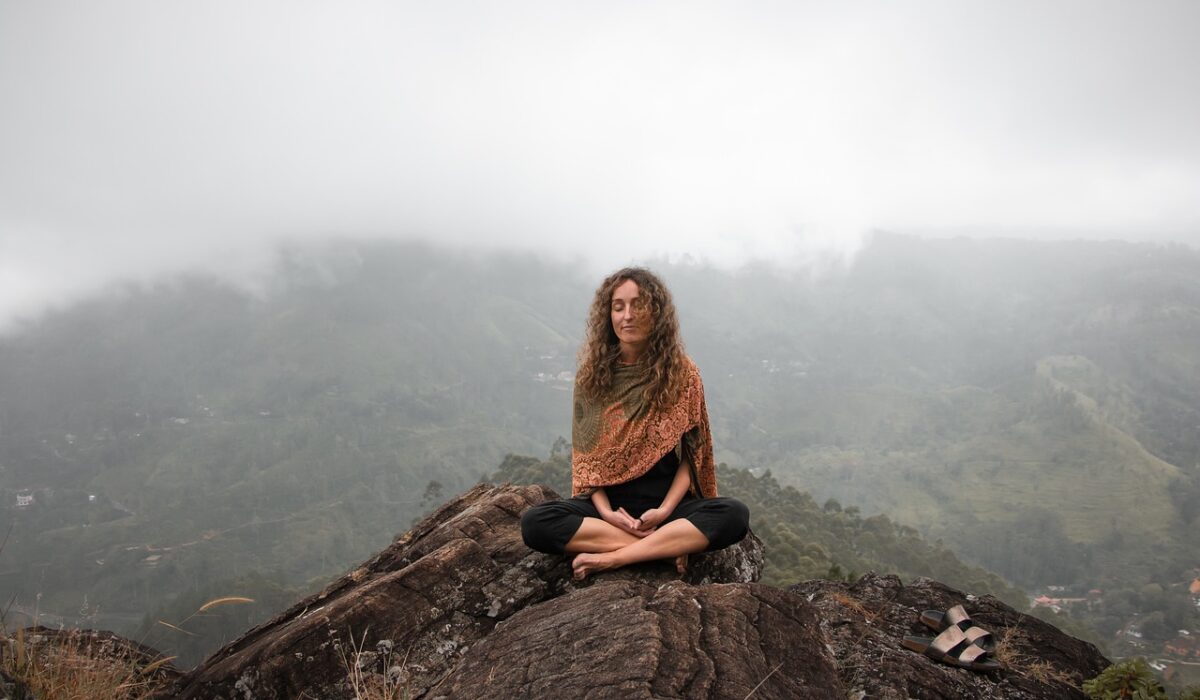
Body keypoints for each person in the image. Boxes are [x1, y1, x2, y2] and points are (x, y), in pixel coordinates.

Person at [521, 267, 750, 580]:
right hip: (610, 509)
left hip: (665, 506)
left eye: (638, 305)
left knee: (734, 516)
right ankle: (664, 549)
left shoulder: (683, 374)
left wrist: (666, 511)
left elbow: (693, 455)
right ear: (608, 315)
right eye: (618, 307)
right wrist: (607, 513)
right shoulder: (592, 377)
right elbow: (587, 463)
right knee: (535, 524)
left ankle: (615, 558)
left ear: (655, 312)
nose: (627, 315)